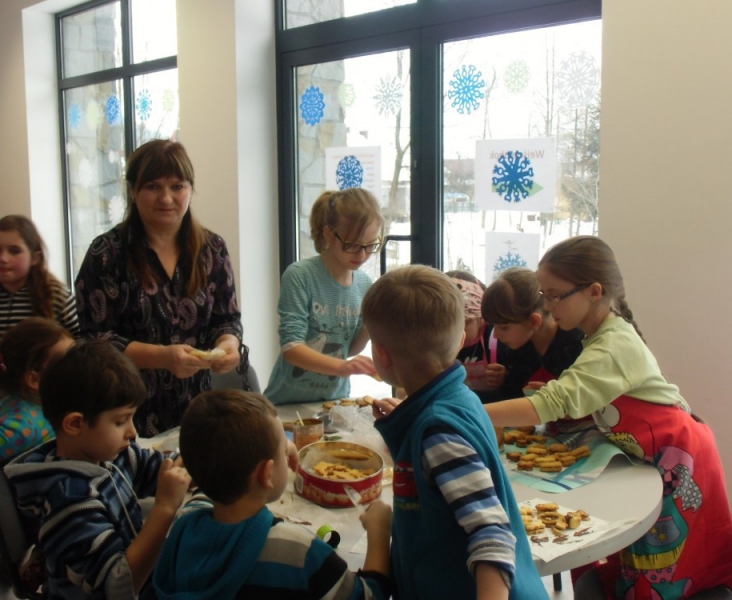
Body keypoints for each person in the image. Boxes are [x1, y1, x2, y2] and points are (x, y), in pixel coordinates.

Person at [485, 236, 732, 599]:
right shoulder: (595, 335)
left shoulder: (614, 343)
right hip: (655, 454)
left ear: (594, 291)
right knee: (643, 562)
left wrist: (470, 413)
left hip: (681, 459)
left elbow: (556, 401)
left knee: (666, 566)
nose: (547, 305)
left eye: (554, 295)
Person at [362, 264, 547, 600]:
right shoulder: (456, 401)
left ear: (381, 354)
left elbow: (492, 534)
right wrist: (406, 421)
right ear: (460, 339)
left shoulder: (437, 433)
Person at [152, 388, 392, 600]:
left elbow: (210, 481)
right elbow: (369, 595)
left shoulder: (183, 526)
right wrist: (378, 532)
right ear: (266, 474)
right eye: (282, 449)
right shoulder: (297, 549)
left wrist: (277, 447)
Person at [75, 139, 243, 437]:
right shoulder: (106, 253)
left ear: (190, 190)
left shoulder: (212, 249)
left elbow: (225, 319)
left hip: (196, 411)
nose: (166, 198)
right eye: (153, 186)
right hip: (125, 413)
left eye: (177, 186)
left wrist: (228, 345)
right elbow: (95, 340)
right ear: (133, 192)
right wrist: (163, 357)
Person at [4, 340, 192, 600]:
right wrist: (165, 509)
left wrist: (203, 461)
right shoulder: (70, 500)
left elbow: (157, 468)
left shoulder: (106, 454)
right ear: (75, 424)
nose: (133, 432)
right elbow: (118, 588)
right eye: (120, 421)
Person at [264, 188, 380, 404]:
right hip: (288, 402)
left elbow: (350, 347)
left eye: (370, 245)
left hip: (333, 400)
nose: (362, 254)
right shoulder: (300, 275)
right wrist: (344, 367)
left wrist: (371, 324)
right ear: (328, 234)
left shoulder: (364, 284)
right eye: (352, 244)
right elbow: (291, 348)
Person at [0, 215, 80, 386]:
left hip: (52, 392)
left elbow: (80, 346)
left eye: (14, 251)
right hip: (3, 395)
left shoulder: (55, 294)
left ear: (35, 257)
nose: (3, 258)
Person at [0, 318, 73, 491]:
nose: (79, 364)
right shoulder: (22, 429)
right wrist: (5, 504)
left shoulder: (23, 395)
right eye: (68, 361)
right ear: (34, 379)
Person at [481, 267, 589, 434]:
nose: (495, 334)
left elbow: (592, 401)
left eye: (503, 327)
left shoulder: (575, 343)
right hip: (553, 434)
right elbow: (510, 397)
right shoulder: (519, 347)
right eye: (493, 326)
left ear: (534, 321)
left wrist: (555, 399)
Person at [445, 270, 509, 403]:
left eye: (465, 324)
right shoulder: (438, 343)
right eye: (446, 325)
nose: (455, 332)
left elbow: (512, 393)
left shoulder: (497, 339)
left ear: (481, 318)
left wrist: (505, 378)